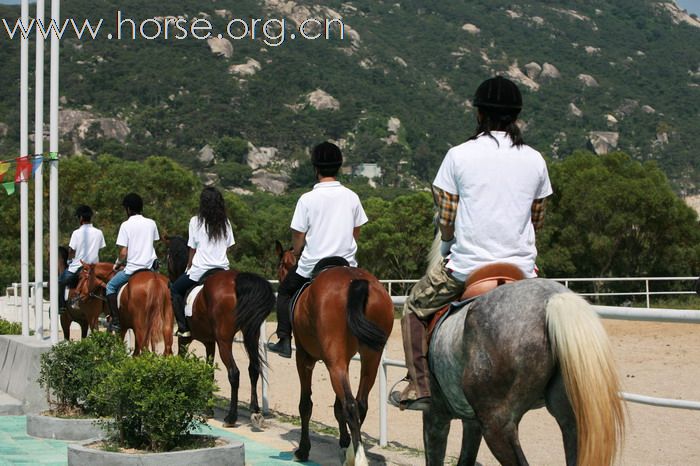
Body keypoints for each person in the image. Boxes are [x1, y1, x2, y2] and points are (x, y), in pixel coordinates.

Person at [390, 76, 553, 411]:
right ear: (516, 116)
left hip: (468, 268)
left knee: (413, 307)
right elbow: (538, 219)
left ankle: (419, 386)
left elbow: (446, 219)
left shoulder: (457, 156)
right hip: (523, 270)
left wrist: (448, 243)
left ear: (479, 115)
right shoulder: (536, 159)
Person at [267, 141, 368, 358]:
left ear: (315, 169)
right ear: (339, 167)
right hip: (347, 264)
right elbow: (356, 231)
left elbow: (297, 235)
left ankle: (284, 339)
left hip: (313, 264)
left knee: (284, 292)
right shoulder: (352, 197)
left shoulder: (307, 199)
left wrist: (296, 250)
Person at [171, 187, 235, 337]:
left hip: (200, 269)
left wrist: (188, 265)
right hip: (223, 269)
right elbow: (229, 247)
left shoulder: (195, 221)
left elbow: (192, 249)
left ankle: (183, 327)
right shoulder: (225, 222)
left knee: (175, 290)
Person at [105, 193, 160, 333]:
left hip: (132, 270)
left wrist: (117, 263)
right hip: (150, 269)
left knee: (110, 287)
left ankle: (116, 320)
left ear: (128, 209)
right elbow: (151, 243)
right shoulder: (151, 223)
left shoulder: (125, 225)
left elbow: (123, 252)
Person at [58, 205, 106, 313]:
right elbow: (100, 249)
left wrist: (69, 261)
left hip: (79, 267)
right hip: (95, 267)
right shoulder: (99, 233)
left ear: (80, 218)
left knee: (60, 282)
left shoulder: (76, 233)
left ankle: (61, 306)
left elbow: (71, 251)